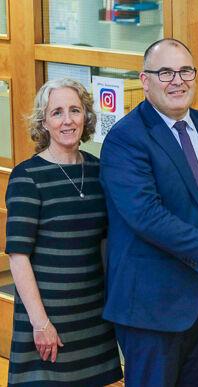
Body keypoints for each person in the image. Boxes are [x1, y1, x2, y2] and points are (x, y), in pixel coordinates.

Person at [99, 38, 198, 387]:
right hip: (151, 306)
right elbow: (146, 215)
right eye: (165, 72)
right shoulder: (125, 138)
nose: (177, 80)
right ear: (145, 81)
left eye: (185, 71)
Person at [4, 78, 123, 386]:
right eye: (57, 112)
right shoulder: (27, 177)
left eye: (75, 110)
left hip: (93, 317)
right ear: (44, 122)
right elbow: (18, 258)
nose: (67, 120)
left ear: (86, 116)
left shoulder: (99, 170)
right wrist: (40, 323)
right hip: (48, 318)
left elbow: (109, 243)